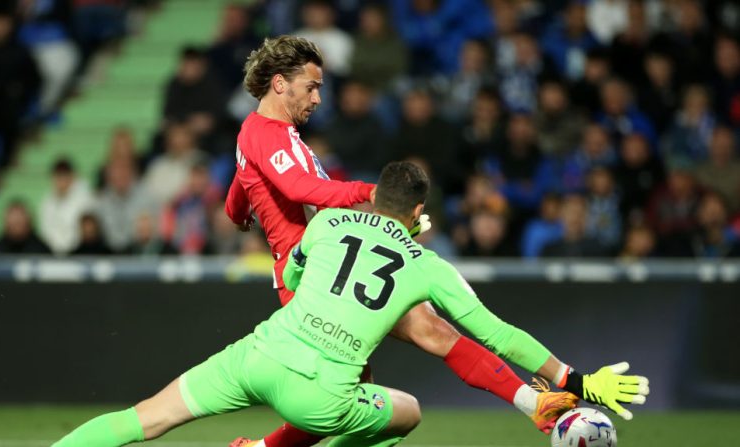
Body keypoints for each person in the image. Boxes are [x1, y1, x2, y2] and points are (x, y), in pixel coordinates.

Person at [52, 162, 649, 447]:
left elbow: (301, 268)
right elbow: (494, 332)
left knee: (145, 419)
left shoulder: (331, 220)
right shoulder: (426, 265)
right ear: (418, 213)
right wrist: (570, 376)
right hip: (321, 393)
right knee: (406, 412)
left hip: (259, 353)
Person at [224, 36, 631, 447]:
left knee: (421, 341)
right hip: (309, 275)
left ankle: (532, 401)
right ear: (280, 84)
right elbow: (297, 188)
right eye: (311, 87)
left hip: (334, 261)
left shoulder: (263, 135)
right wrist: (371, 195)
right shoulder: (267, 133)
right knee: (354, 397)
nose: (317, 98)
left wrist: (239, 212)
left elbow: (242, 187)